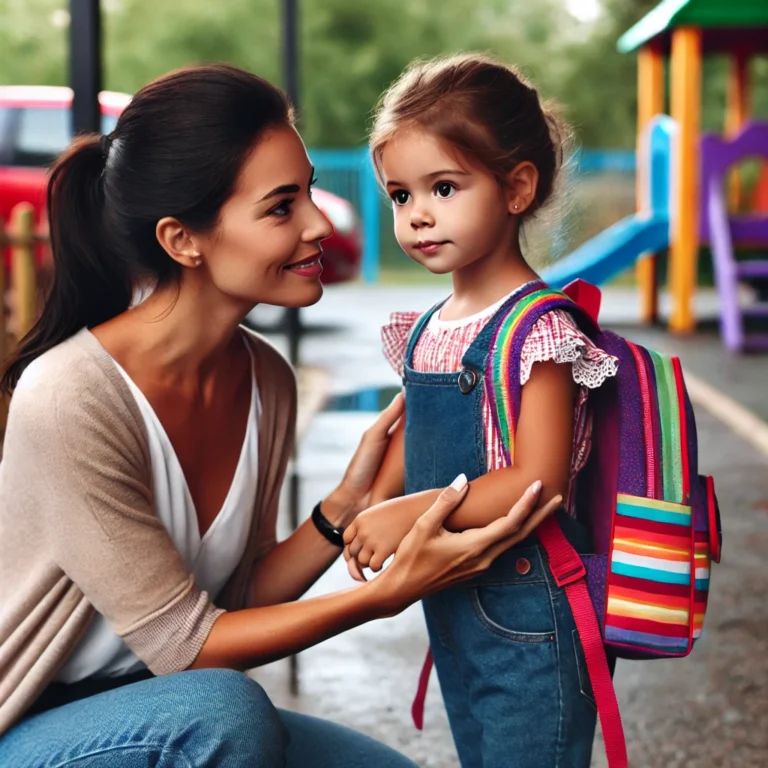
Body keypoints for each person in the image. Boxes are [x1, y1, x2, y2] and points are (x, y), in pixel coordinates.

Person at [0, 63, 564, 767]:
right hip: (34, 728)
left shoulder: (264, 377)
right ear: (183, 241)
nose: (319, 223)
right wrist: (385, 594)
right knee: (226, 714)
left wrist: (346, 505)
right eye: (281, 206)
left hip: (164, 708)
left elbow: (237, 600)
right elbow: (189, 644)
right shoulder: (72, 394)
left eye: (310, 194)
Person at [342, 53, 620, 768]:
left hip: (532, 617)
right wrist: (376, 504)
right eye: (401, 196)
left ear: (517, 186)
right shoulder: (431, 323)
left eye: (443, 186)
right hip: (455, 601)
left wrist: (408, 513)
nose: (419, 215)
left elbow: (540, 482)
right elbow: (416, 431)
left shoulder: (539, 331)